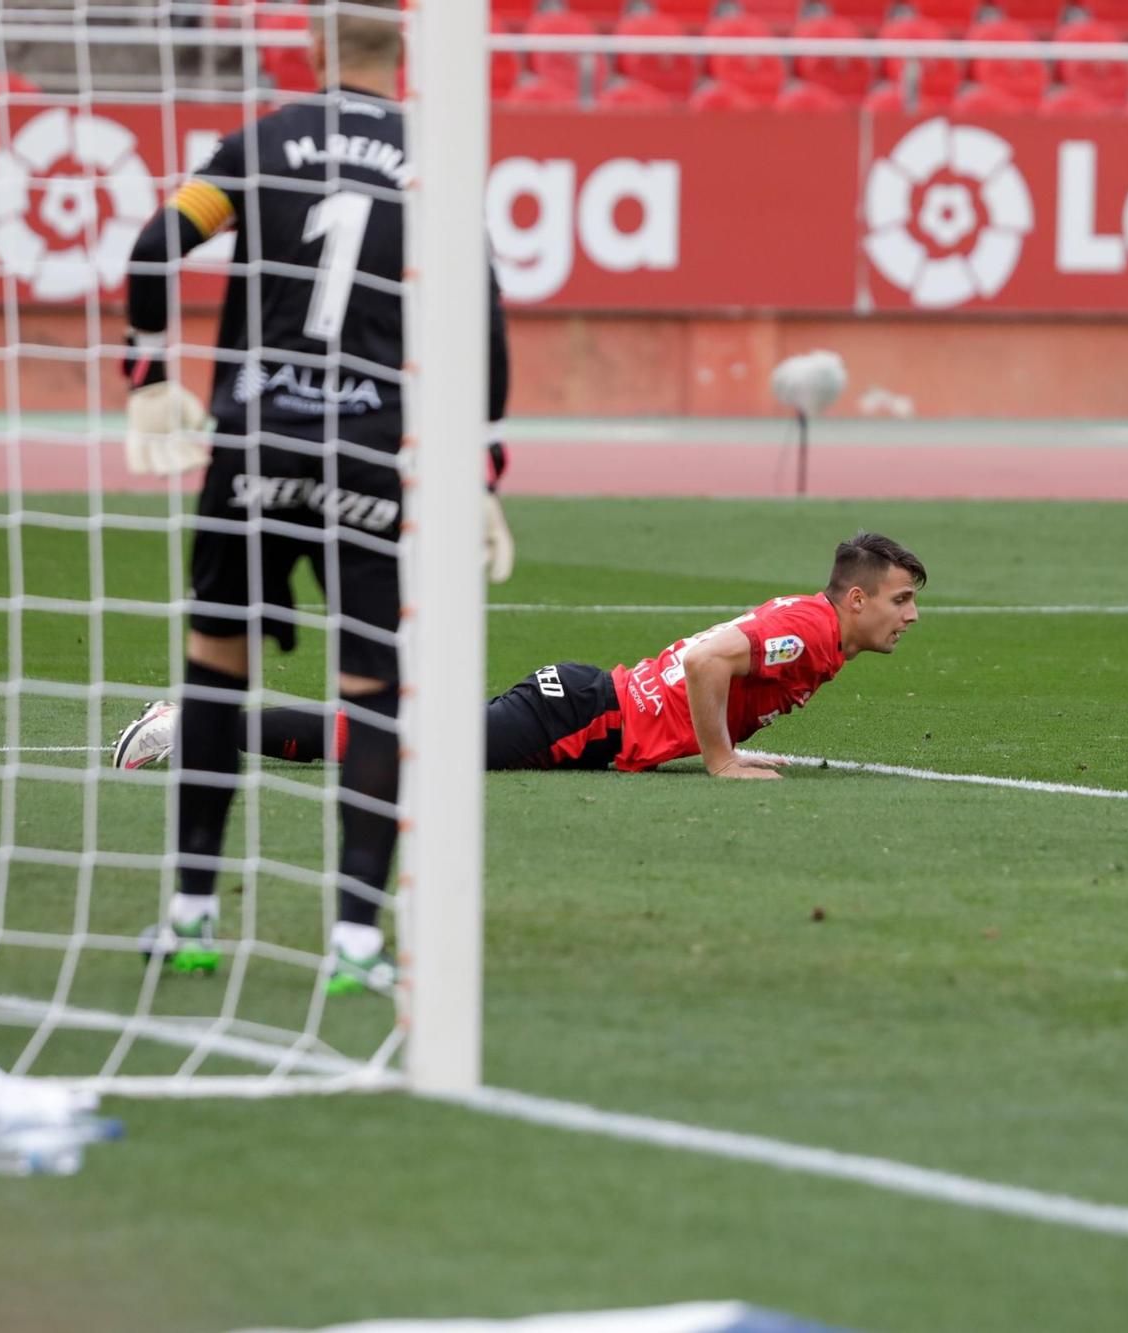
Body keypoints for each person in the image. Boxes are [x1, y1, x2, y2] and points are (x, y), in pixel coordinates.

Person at [116, 0, 511, 995]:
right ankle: (355, 944)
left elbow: (156, 244)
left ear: (312, 48)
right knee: (373, 690)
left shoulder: (261, 143)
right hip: (371, 453)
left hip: (253, 440)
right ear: (402, 51)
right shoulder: (436, 159)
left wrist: (150, 373)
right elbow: (483, 321)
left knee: (216, 668)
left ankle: (191, 916)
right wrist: (482, 464)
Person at [118, 533, 926, 783]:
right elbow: (712, 659)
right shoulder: (815, 629)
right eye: (900, 599)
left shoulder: (816, 628)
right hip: (582, 716)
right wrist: (721, 761)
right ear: (856, 598)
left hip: (584, 702)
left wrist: (726, 742)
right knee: (388, 748)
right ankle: (189, 723)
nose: (909, 616)